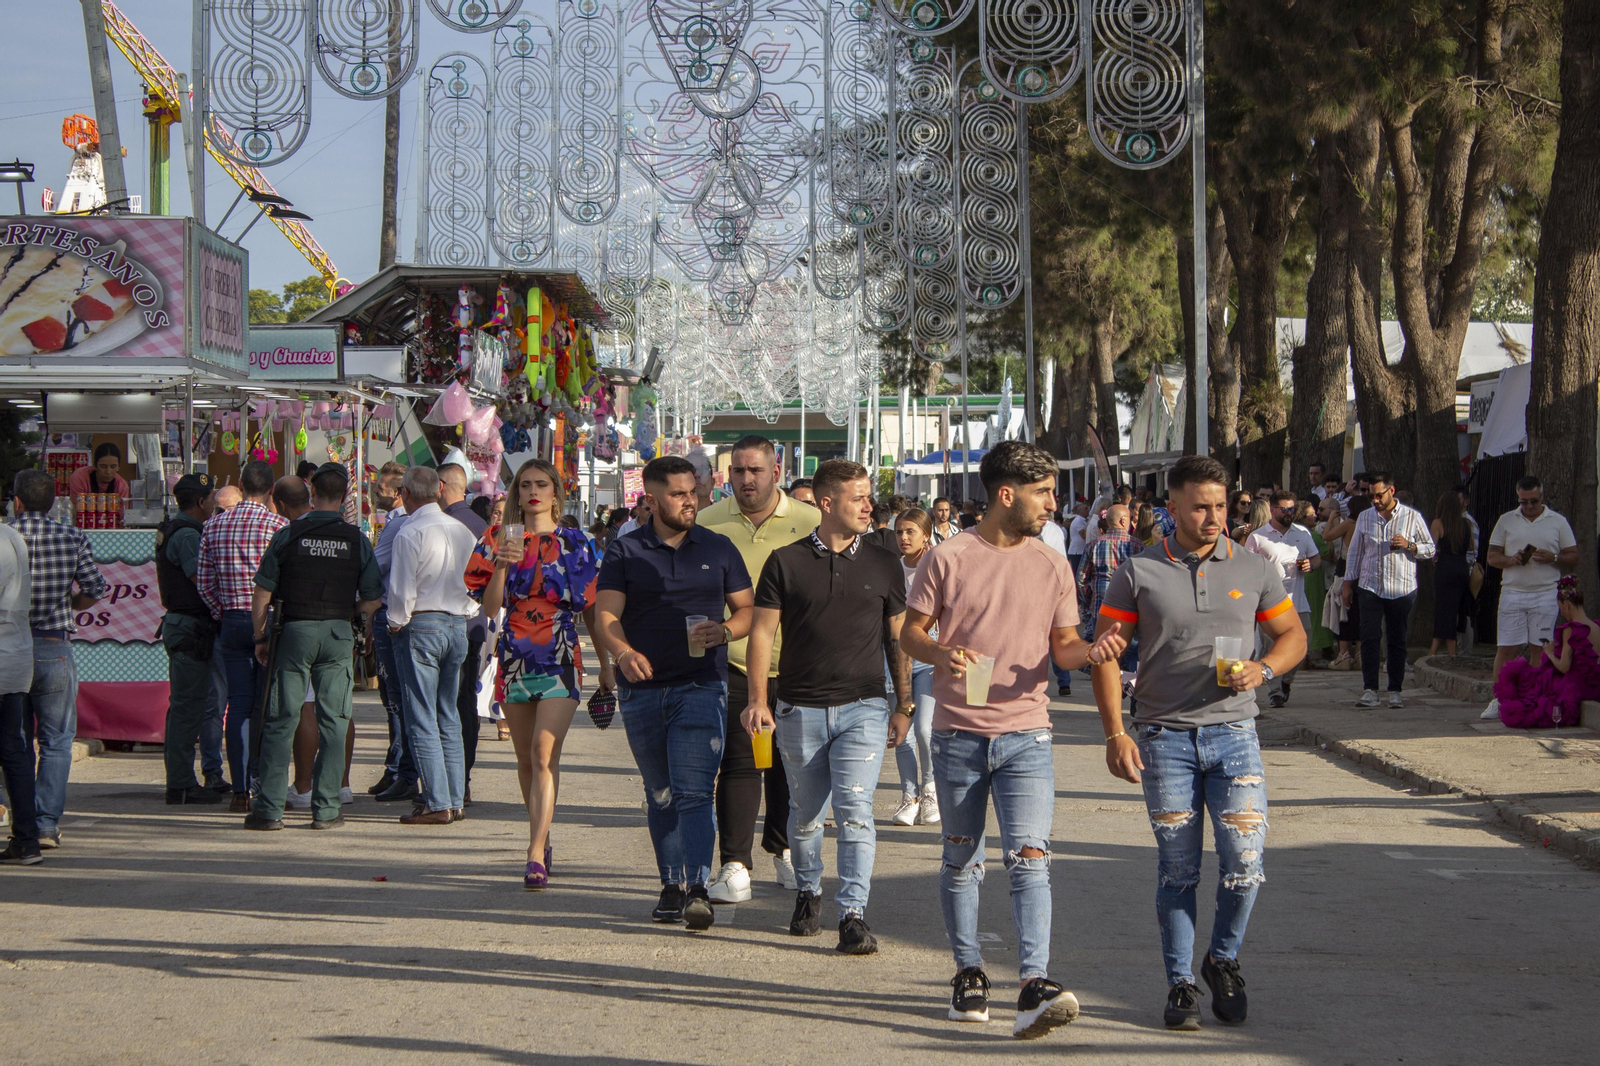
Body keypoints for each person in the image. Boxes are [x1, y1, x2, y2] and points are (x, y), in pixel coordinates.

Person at [1091, 454, 1304, 1031]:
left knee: (1246, 864)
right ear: (1173, 508)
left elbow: (1292, 636)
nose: (1213, 517)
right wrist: (1115, 732)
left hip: (1235, 733)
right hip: (1164, 736)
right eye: (1200, 507)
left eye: (1220, 505)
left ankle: (1223, 958)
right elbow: (1107, 657)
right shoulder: (1137, 571)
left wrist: (1263, 670)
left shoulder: (1254, 568)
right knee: (1178, 871)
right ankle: (1180, 983)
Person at [901, 440, 1105, 1040]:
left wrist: (1091, 653)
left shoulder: (1052, 563)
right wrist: (940, 652)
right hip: (960, 734)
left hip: (1027, 735)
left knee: (1030, 859)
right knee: (961, 858)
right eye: (1043, 493)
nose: (1052, 504)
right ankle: (968, 973)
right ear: (1006, 494)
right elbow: (911, 634)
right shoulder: (949, 557)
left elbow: (1063, 643)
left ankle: (1034, 982)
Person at [741, 458, 909, 955]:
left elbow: (896, 637)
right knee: (806, 814)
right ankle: (809, 891)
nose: (868, 506)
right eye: (859, 497)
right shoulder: (786, 561)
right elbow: (762, 632)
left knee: (856, 810)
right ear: (828, 503)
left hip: (864, 707)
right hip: (798, 708)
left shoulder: (883, 561)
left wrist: (905, 704)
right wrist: (757, 701)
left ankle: (853, 913)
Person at [594, 456, 755, 930]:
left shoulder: (719, 547)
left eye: (695, 491)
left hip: (701, 685)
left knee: (694, 791)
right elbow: (606, 615)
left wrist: (725, 632)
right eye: (680, 494)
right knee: (660, 792)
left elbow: (747, 610)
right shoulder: (626, 551)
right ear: (651, 499)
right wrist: (622, 653)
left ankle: (698, 888)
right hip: (641, 690)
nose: (693, 501)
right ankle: (670, 883)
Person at [466, 458, 611, 886]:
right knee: (526, 758)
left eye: (541, 484)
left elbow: (592, 605)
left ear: (555, 492)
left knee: (544, 753)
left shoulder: (574, 541)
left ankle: (534, 853)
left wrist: (607, 665)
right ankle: (542, 834)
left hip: (561, 652)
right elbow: (489, 608)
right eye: (525, 484)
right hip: (514, 654)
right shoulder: (494, 537)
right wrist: (504, 564)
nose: (532, 491)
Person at [697, 436, 820, 902]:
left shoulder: (812, 522)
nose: (747, 480)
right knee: (739, 762)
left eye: (756, 471)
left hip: (799, 664)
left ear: (777, 469)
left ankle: (784, 849)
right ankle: (734, 863)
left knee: (793, 766)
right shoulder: (709, 523)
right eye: (739, 472)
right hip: (732, 662)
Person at [247, 466, 382, 831]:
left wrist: (260, 637)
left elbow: (262, 592)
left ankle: (270, 810)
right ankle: (326, 809)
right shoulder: (356, 540)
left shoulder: (288, 536)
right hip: (337, 634)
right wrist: (356, 618)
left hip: (294, 632)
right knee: (334, 721)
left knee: (282, 718)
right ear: (344, 498)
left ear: (312, 491)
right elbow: (372, 597)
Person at [8, 469, 108, 849]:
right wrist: (69, 605)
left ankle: (14, 813)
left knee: (11, 736)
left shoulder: (5, 536)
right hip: (54, 643)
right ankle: (46, 823)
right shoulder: (71, 535)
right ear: (53, 503)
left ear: (16, 501)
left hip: (10, 647)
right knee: (56, 740)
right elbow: (96, 588)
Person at [386, 466, 478, 826]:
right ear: (439, 490)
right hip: (457, 623)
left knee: (422, 715)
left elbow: (401, 591)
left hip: (422, 623)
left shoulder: (409, 531)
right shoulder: (461, 530)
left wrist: (396, 622)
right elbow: (475, 581)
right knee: (448, 713)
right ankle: (454, 798)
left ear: (406, 494)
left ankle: (438, 802)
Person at [197, 460, 286, 810]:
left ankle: (238, 788)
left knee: (237, 704)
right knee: (266, 704)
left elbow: (205, 583)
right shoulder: (278, 525)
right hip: (269, 621)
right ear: (271, 491)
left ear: (240, 484)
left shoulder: (214, 525)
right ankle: (259, 779)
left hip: (232, 619)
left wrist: (223, 610)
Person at [1481, 476, 1579, 719]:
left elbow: (1574, 556)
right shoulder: (1507, 520)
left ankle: (1534, 697)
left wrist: (1553, 558)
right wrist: (1510, 560)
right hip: (1513, 591)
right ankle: (1499, 698)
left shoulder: (1557, 521)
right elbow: (1492, 556)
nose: (1529, 507)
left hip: (1544, 592)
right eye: (1524, 502)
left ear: (1542, 497)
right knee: (1506, 647)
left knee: (1541, 647)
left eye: (1533, 501)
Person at [155, 473, 226, 806]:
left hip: (184, 626)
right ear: (201, 502)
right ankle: (181, 783)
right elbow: (202, 581)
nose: (214, 501)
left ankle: (182, 779)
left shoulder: (179, 528)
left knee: (186, 706)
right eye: (211, 496)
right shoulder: (187, 536)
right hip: (190, 627)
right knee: (188, 708)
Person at [1341, 471, 1436, 708]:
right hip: (1370, 585)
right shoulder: (1365, 517)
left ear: (1391, 491)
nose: (1375, 500)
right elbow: (1355, 552)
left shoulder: (1412, 517)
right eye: (1370, 495)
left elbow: (1431, 549)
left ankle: (1395, 690)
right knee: (1370, 636)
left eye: (1379, 495)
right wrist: (1347, 583)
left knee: (1397, 640)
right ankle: (1370, 689)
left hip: (1401, 587)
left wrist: (1410, 545)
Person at [439, 463, 489, 799]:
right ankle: (463, 781)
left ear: (441, 486)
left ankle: (451, 782)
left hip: (446, 623)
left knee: (444, 704)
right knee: (464, 703)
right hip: (474, 626)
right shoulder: (481, 526)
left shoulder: (441, 524)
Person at [1243, 490, 1319, 707]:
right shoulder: (1257, 537)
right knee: (1272, 648)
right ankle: (1275, 692)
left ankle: (1286, 680)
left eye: (1292, 509)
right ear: (1273, 509)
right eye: (1284, 509)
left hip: (1297, 600)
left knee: (1304, 644)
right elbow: (1246, 568)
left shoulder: (1302, 533)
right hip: (1269, 603)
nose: (1289, 513)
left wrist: (1310, 565)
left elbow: (1316, 558)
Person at [369, 480, 420, 803]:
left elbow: (376, 568)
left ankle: (403, 770)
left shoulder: (401, 525)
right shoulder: (448, 525)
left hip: (396, 619)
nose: (379, 492)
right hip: (431, 620)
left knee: (398, 700)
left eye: (386, 486)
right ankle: (401, 769)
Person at [1493, 577, 1600, 728]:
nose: (1562, 613)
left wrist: (1549, 652)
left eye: (1561, 607)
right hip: (1595, 686)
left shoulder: (1571, 629)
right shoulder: (1596, 627)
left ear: (1567, 605)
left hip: (1575, 686)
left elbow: (1564, 667)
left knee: (1535, 683)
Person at [890, 508, 939, 825]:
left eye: (910, 531)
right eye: (899, 532)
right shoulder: (891, 569)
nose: (904, 538)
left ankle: (931, 790)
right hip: (895, 661)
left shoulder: (938, 565)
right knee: (901, 734)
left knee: (924, 729)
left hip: (930, 657)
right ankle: (910, 797)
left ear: (926, 534)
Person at [0, 518, 38, 865]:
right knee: (14, 751)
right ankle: (27, 839)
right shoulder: (12, 537)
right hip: (15, 655)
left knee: (14, 749)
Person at [1081, 505, 1140, 648]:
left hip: (1100, 607)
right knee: (1130, 654)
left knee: (1101, 653)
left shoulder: (1093, 546)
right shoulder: (1139, 547)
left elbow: (1081, 580)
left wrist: (1089, 601)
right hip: (1130, 609)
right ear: (1123, 521)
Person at [1429, 490, 1475, 658]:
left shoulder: (1438, 523)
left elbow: (1430, 547)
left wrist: (1436, 556)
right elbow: (1470, 546)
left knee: (1442, 608)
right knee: (1457, 608)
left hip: (1445, 567)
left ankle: (1448, 651)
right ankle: (1444, 649)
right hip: (1461, 566)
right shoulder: (1465, 524)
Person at [1316, 496, 1357, 669]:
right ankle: (1360, 654)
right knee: (1357, 612)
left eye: (1322, 509)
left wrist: (1332, 519)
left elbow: (1327, 536)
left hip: (1346, 566)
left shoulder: (1349, 523)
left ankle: (1343, 654)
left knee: (1343, 611)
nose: (1318, 513)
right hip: (1361, 569)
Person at [67, 442, 131, 501]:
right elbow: (78, 508)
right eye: (103, 466)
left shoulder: (122, 486)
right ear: (95, 466)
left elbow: (123, 512)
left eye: (113, 467)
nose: (108, 471)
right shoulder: (79, 477)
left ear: (118, 467)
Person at [1065, 501, 1089, 580]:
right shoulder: (1079, 520)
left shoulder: (1083, 520)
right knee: (1077, 574)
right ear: (1080, 511)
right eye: (1085, 508)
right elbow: (1083, 535)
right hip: (1077, 551)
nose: (1088, 510)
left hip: (1080, 550)